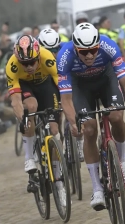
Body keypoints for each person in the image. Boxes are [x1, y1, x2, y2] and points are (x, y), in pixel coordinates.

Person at [57, 23, 125, 210]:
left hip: (106, 80)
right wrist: (74, 123)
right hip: (81, 88)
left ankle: (122, 160)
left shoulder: (108, 45)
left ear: (99, 45)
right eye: (84, 52)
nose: (89, 55)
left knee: (115, 117)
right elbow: (65, 99)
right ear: (75, 48)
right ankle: (97, 188)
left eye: (93, 50)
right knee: (88, 129)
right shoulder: (64, 56)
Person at [5, 35, 62, 182]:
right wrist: (23, 119)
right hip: (26, 87)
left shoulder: (47, 56)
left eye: (32, 62)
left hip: (45, 85)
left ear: (38, 57)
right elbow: (16, 100)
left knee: (55, 130)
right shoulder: (12, 65)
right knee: (30, 106)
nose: (29, 66)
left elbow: (61, 85)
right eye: (25, 63)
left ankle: (57, 177)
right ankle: (29, 157)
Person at [38, 28, 85, 161]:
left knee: (74, 109)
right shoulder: (36, 54)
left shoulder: (66, 48)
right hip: (49, 83)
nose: (53, 54)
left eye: (55, 49)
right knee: (54, 117)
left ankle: (78, 142)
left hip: (65, 80)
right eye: (48, 50)